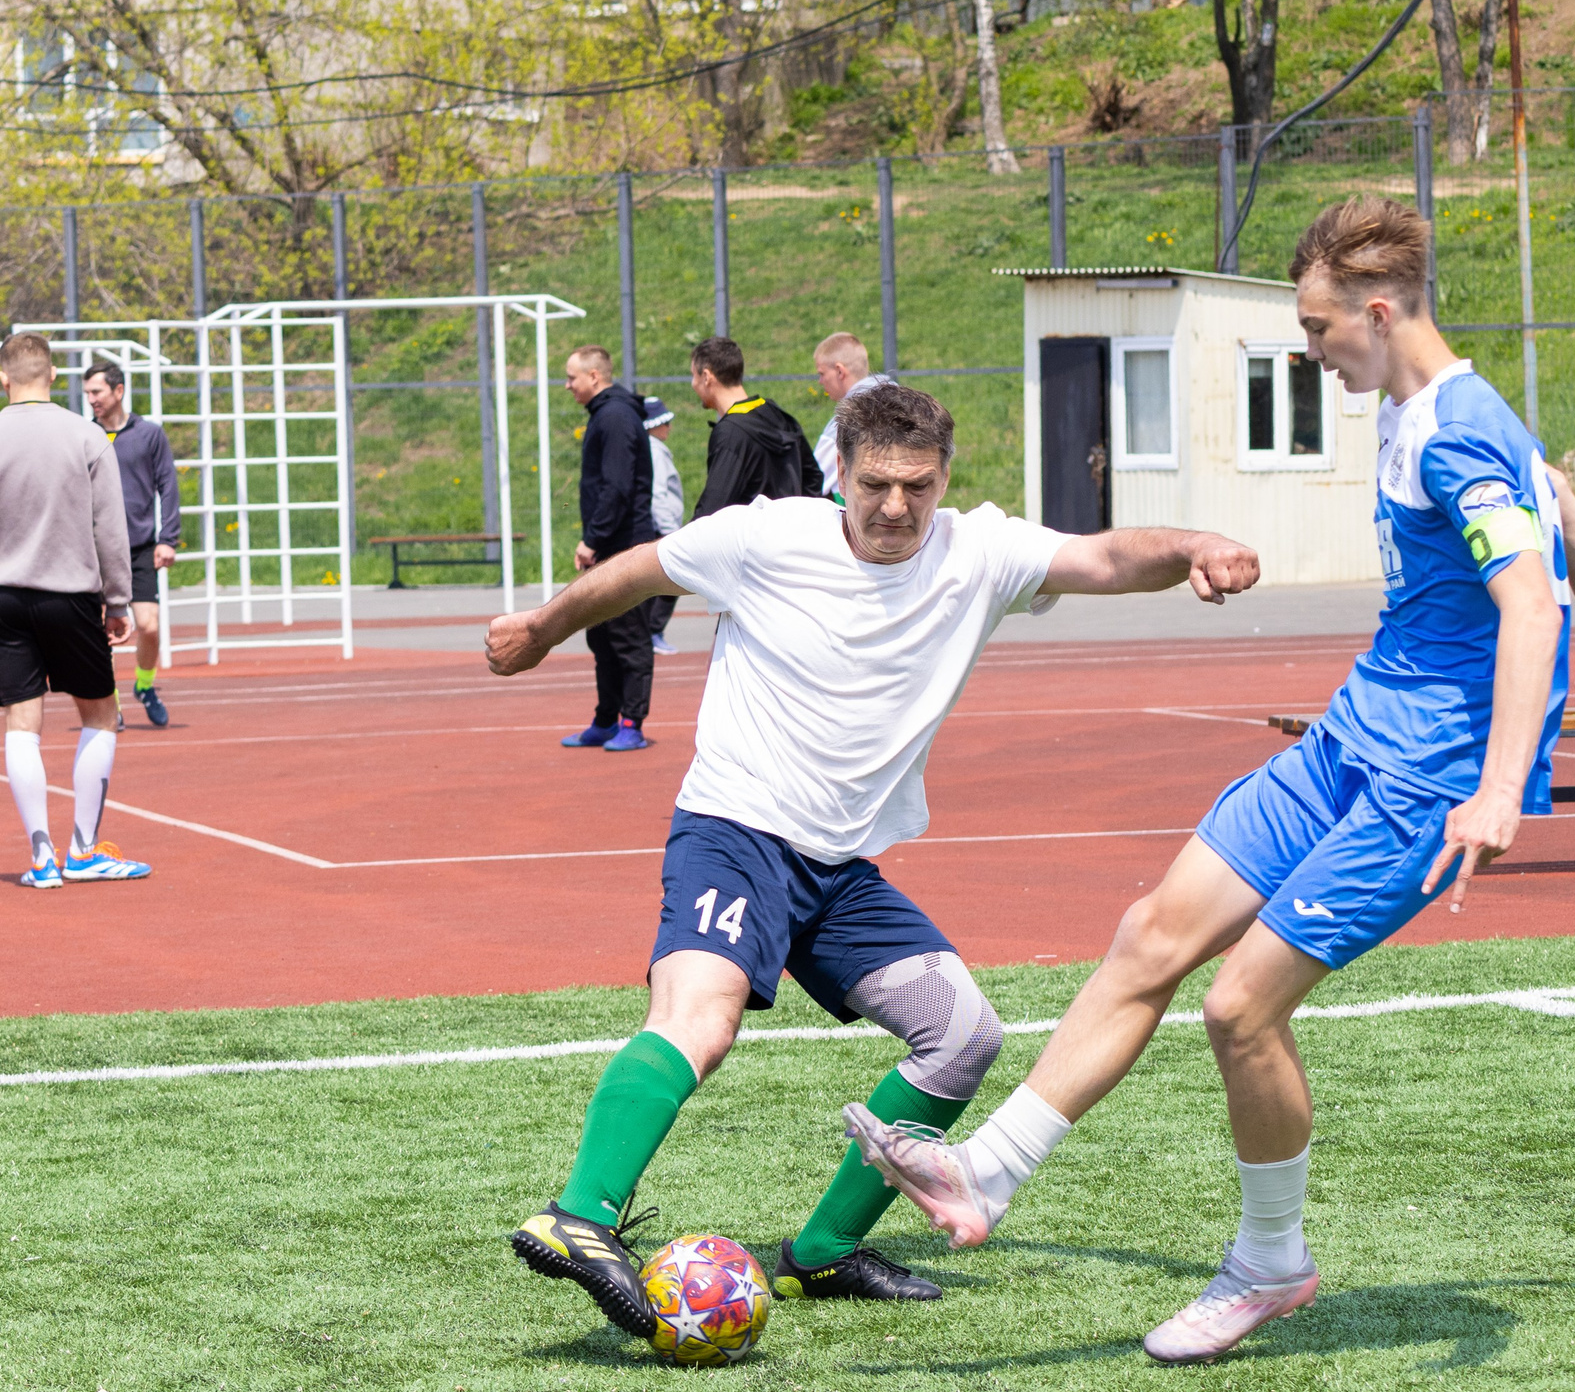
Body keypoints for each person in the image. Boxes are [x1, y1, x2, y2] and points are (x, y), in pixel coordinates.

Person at [848, 195, 1570, 1364]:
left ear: (1379, 314)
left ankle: (1269, 1264)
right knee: (1150, 931)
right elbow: (1563, 513)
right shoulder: (1417, 408)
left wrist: (1496, 787)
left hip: (1422, 781)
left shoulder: (1459, 431)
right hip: (1349, 738)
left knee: (1239, 1006)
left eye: (1320, 326)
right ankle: (986, 1171)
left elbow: (1521, 600)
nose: (1310, 347)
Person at [483, 381, 1259, 1332]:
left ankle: (822, 1251)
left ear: (944, 478)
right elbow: (640, 569)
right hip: (735, 830)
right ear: (838, 472)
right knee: (703, 1015)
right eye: (877, 484)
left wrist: (1195, 548)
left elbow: (1101, 556)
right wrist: (540, 629)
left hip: (842, 866)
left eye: (918, 486)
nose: (897, 507)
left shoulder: (979, 553)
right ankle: (580, 1217)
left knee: (963, 1034)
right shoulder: (765, 538)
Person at [0, 332, 152, 889]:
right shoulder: (87, 435)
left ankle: (41, 859)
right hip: (72, 597)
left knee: (21, 722)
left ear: (2, 377)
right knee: (101, 715)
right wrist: (118, 600)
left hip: (7, 601)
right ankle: (83, 850)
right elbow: (110, 528)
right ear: (55, 377)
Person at [558, 346, 659, 753]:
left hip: (624, 547)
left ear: (595, 376)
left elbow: (617, 487)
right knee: (600, 636)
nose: (567, 386)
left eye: (572, 378)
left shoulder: (615, 417)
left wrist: (593, 540)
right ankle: (605, 719)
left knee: (629, 636)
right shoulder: (605, 414)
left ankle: (631, 722)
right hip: (608, 547)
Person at [80, 358, 180, 729]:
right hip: (96, 549)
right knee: (103, 631)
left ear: (118, 391)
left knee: (149, 626)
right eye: (87, 393)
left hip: (138, 547)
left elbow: (168, 486)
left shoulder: (149, 435)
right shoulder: (85, 436)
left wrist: (167, 539)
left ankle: (145, 686)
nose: (91, 399)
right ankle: (113, 705)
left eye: (97, 391)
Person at [691, 337, 823, 518]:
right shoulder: (777, 414)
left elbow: (712, 511)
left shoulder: (730, 433)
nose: (692, 384)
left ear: (706, 377)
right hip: (790, 538)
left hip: (750, 544)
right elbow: (813, 478)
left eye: (694, 376)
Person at [811, 332, 894, 500]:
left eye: (822, 373)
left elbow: (812, 481)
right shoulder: (904, 405)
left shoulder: (847, 420)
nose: (820, 381)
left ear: (840, 371)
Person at [642, 396, 685, 655]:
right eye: (665, 422)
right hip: (663, 528)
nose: (669, 426)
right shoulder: (654, 452)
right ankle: (652, 630)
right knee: (673, 580)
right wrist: (669, 530)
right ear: (654, 425)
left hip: (663, 527)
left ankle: (652, 631)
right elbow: (657, 494)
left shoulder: (654, 449)